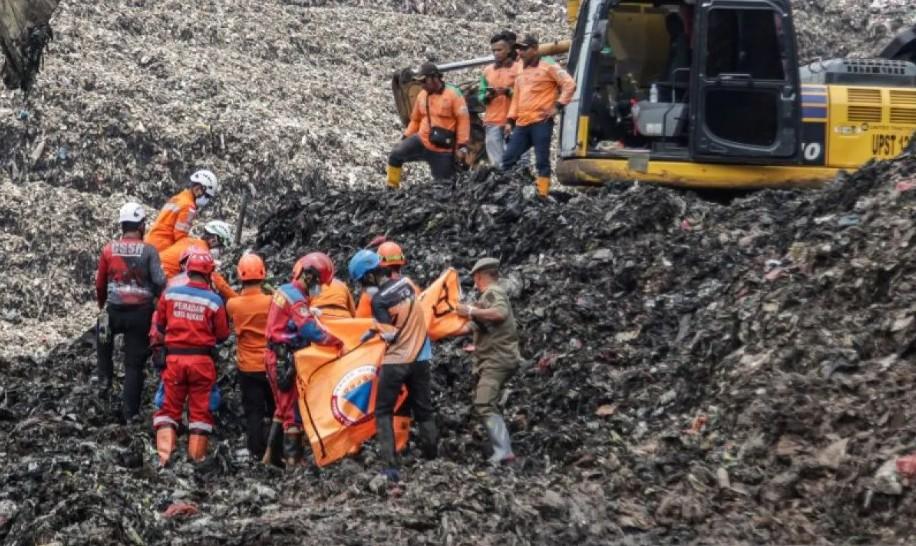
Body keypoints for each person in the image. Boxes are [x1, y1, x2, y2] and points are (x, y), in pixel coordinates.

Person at [349, 250, 437, 485]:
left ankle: (390, 469)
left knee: (383, 412)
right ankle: (432, 457)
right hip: (420, 358)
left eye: (362, 282)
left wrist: (374, 331)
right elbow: (407, 314)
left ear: (369, 276)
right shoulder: (407, 284)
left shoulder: (378, 300)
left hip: (396, 362)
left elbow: (390, 334)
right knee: (424, 410)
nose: (363, 288)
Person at [151, 252, 230, 465]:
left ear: (188, 270)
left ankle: (164, 458)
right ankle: (196, 459)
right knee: (200, 411)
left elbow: (160, 325)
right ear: (209, 273)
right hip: (202, 363)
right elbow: (222, 335)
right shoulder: (214, 301)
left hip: (174, 361)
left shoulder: (170, 294)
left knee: (169, 408)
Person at [265, 253, 343, 466]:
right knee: (292, 411)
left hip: (275, 355)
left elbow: (288, 320)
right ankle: (293, 462)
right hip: (283, 359)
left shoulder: (285, 290)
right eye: (319, 283)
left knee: (281, 407)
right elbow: (309, 330)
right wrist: (336, 339)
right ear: (309, 276)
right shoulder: (297, 299)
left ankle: (270, 458)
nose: (319, 288)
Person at [95, 202, 167, 422]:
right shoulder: (149, 251)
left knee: (103, 342)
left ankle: (104, 381)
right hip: (141, 315)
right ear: (142, 226)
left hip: (114, 311)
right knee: (133, 366)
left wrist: (102, 306)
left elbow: (100, 284)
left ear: (122, 225)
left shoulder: (108, 249)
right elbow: (160, 282)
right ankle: (130, 414)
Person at [455, 258, 522, 465]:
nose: (475, 283)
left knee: (484, 402)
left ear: (479, 276)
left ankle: (504, 452)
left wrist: (471, 311)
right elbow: (471, 328)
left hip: (497, 359)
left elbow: (500, 313)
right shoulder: (487, 297)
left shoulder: (493, 292)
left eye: (475, 278)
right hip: (493, 359)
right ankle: (499, 448)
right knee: (483, 401)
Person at [501, 34, 577, 197]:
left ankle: (543, 194)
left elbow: (569, 84)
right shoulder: (520, 68)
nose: (520, 52)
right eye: (519, 49)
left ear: (535, 49)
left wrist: (558, 106)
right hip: (522, 123)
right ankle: (508, 192)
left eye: (524, 49)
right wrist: (510, 121)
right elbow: (517, 97)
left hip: (541, 122)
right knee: (508, 158)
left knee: (541, 159)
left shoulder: (548, 65)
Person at [387, 62, 471, 188]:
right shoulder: (422, 95)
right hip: (422, 140)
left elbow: (463, 121)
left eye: (424, 81)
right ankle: (391, 187)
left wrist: (462, 146)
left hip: (443, 150)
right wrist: (405, 137)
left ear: (434, 78)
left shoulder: (453, 95)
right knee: (395, 155)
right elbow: (415, 120)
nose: (422, 85)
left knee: (444, 186)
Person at [225, 253, 275, 460]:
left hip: (247, 367)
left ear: (240, 275)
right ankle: (277, 449)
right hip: (270, 364)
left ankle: (255, 451)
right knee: (276, 409)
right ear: (263, 274)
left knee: (253, 411)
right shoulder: (272, 301)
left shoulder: (233, 305)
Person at [158, 220, 237, 301]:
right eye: (221, 247)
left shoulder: (187, 240)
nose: (220, 251)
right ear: (214, 240)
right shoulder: (202, 253)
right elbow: (217, 280)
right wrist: (237, 298)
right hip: (165, 280)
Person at [145, 169, 219, 252]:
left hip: (150, 241)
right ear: (198, 188)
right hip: (162, 247)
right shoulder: (189, 206)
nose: (206, 199)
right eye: (207, 196)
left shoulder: (177, 198)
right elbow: (180, 237)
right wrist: (198, 245)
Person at [479, 32, 521, 167]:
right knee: (496, 162)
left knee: (517, 159)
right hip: (493, 120)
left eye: (499, 50)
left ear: (508, 49)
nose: (496, 53)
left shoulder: (519, 69)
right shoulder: (487, 71)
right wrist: (488, 95)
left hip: (515, 120)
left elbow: (526, 94)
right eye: (494, 50)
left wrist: (509, 92)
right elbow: (481, 96)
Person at [307, 253, 356, 319]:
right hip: (344, 318)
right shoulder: (341, 285)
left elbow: (307, 307)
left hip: (321, 317)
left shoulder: (315, 286)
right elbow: (353, 312)